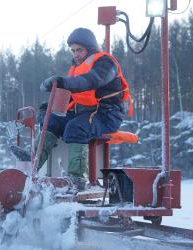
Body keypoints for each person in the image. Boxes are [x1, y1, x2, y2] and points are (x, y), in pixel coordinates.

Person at [12, 27, 132, 190]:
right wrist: (47, 107)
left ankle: (77, 177)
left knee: (75, 128)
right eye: (73, 50)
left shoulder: (105, 63)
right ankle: (30, 165)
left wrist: (63, 82)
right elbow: (71, 95)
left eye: (79, 50)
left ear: (90, 48)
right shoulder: (77, 68)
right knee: (53, 120)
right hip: (85, 113)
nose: (75, 54)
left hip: (107, 115)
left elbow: (92, 80)